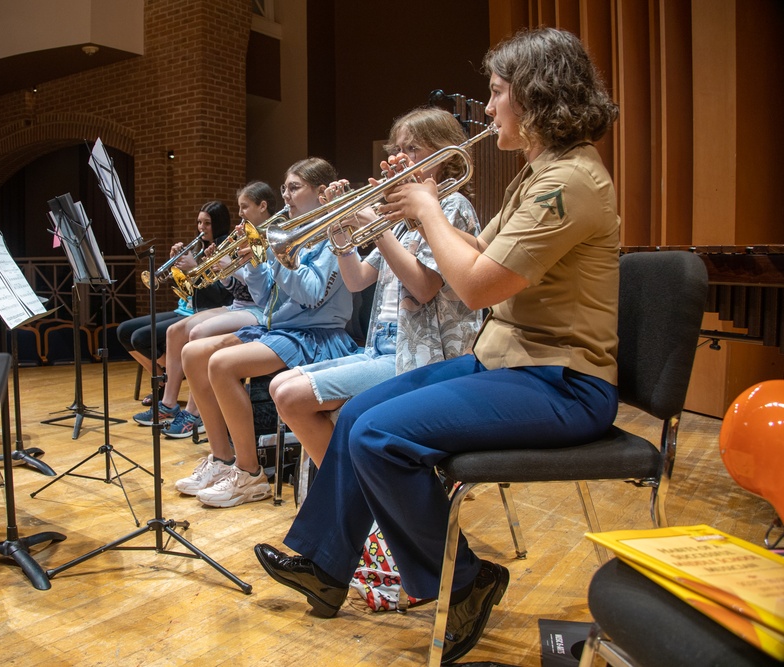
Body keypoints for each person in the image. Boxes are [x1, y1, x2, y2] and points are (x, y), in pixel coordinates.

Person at [254, 26, 621, 665]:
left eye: (498, 93)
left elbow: (475, 288)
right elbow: (481, 257)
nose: (489, 108)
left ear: (534, 99)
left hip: (563, 383)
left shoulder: (571, 184)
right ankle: (325, 565)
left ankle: (468, 580)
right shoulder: (538, 176)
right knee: (362, 415)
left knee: (377, 435)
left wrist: (427, 209)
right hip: (510, 365)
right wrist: (393, 214)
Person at [269, 107, 483, 467]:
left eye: (412, 148)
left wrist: (377, 225)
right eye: (397, 149)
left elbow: (424, 287)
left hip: (421, 356)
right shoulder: (401, 216)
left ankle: (354, 496)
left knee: (292, 395)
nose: (400, 158)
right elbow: (356, 280)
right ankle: (359, 493)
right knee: (280, 386)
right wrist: (339, 225)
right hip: (381, 346)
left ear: (445, 154)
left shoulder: (451, 206)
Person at [174, 158, 358, 507]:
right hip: (279, 329)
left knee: (222, 364)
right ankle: (221, 458)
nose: (285, 195)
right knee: (192, 353)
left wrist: (274, 254)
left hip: (316, 336)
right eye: (284, 188)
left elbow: (310, 293)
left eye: (294, 187)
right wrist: (257, 263)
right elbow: (264, 296)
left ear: (322, 193)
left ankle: (249, 472)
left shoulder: (332, 234)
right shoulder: (291, 232)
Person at [132, 182, 277, 438]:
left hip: (260, 308)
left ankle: (194, 414)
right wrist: (221, 270)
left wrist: (228, 266)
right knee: (176, 331)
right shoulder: (244, 234)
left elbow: (260, 288)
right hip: (239, 304)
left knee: (198, 334)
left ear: (262, 206)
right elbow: (232, 286)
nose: (240, 213)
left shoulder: (272, 235)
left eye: (245, 207)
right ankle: (168, 404)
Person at [115, 201, 232, 406]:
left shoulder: (224, 250)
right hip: (184, 308)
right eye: (199, 222)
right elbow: (186, 286)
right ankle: (162, 378)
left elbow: (220, 296)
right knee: (124, 331)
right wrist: (177, 265)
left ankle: (174, 374)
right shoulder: (199, 247)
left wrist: (194, 268)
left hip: (202, 312)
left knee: (140, 338)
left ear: (219, 224)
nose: (201, 228)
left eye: (207, 223)